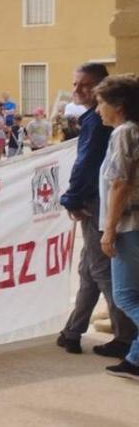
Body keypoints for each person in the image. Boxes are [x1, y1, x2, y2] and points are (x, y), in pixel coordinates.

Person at [58, 63, 137, 358]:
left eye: (86, 86)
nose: (78, 90)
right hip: (98, 205)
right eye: (75, 84)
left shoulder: (110, 128)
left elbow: (100, 171)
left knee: (104, 272)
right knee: (89, 269)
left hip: (97, 207)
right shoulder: (97, 121)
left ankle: (127, 337)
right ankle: (73, 330)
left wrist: (72, 198)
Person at [95, 74, 139, 380]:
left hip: (128, 225)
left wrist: (109, 230)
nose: (98, 109)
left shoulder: (124, 133)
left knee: (125, 296)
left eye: (101, 103)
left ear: (118, 106)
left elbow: (121, 183)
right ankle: (136, 359)